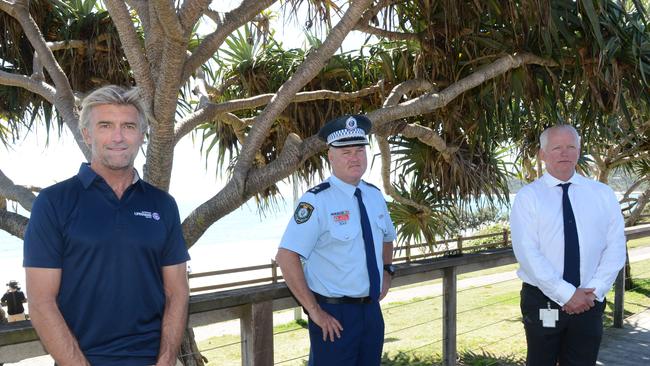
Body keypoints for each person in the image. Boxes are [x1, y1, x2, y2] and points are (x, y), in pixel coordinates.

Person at [23, 85, 190, 366]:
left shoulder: (163, 205)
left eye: (128, 126)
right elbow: (41, 303)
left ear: (141, 134)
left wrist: (166, 359)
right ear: (87, 134)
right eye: (105, 126)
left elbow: (177, 291)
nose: (118, 137)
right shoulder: (53, 204)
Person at [275, 114, 397, 366]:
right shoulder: (316, 201)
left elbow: (387, 238)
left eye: (360, 150)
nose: (355, 157)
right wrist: (314, 311)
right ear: (331, 157)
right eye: (346, 152)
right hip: (334, 316)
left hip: (371, 312)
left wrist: (387, 271)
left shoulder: (374, 196)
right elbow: (286, 257)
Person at [510, 125, 626, 366]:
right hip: (543, 301)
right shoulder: (528, 198)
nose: (564, 153)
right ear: (542, 154)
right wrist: (566, 294)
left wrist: (594, 290)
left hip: (589, 302)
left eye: (571, 146)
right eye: (557, 148)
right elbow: (527, 253)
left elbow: (615, 247)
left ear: (579, 150)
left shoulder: (603, 194)